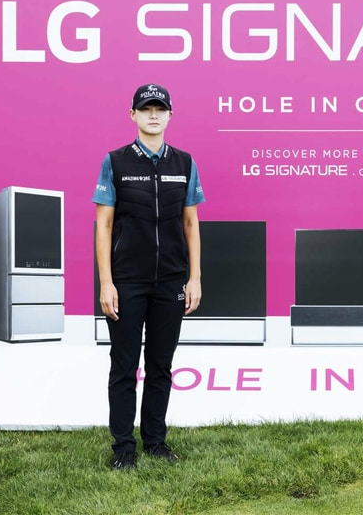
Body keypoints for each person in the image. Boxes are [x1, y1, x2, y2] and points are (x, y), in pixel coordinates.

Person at [93, 83, 205, 470]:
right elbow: (103, 225)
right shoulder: (116, 161)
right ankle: (123, 447)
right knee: (124, 365)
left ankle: (155, 441)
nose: (153, 115)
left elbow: (190, 223)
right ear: (133, 115)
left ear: (170, 115)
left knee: (161, 364)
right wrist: (106, 282)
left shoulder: (185, 163)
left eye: (160, 109)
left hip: (172, 281)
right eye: (146, 109)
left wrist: (195, 278)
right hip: (127, 281)